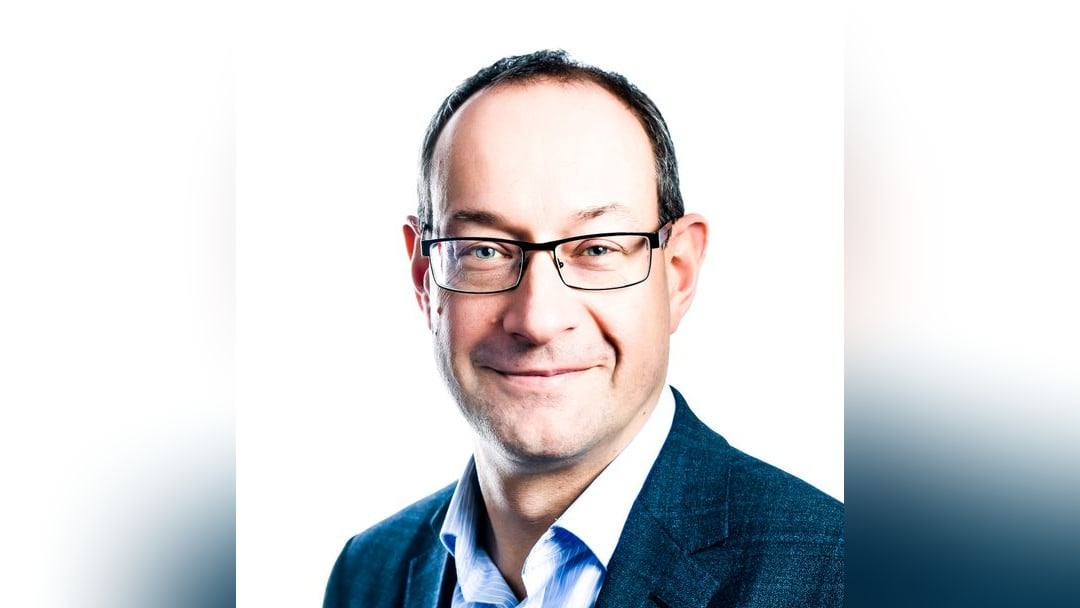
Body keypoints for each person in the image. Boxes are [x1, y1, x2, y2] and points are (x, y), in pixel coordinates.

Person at [324, 49, 843, 608]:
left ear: (678, 273)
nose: (539, 320)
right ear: (425, 276)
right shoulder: (368, 574)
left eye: (596, 248)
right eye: (484, 250)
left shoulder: (840, 575)